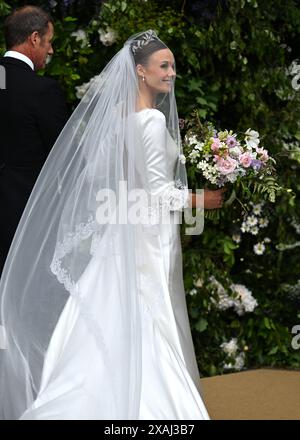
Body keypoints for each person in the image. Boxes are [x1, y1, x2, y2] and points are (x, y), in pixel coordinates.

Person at [0, 30, 224, 420]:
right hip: (146, 237)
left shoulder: (120, 122)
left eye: (173, 66)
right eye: (164, 66)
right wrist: (202, 200)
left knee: (111, 313)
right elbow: (157, 193)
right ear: (140, 71)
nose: (172, 73)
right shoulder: (152, 121)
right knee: (147, 317)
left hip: (121, 234)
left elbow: (102, 179)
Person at [0, 5, 68, 274]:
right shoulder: (43, 91)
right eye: (49, 41)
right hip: (26, 217)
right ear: (35, 38)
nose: (50, 50)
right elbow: (64, 155)